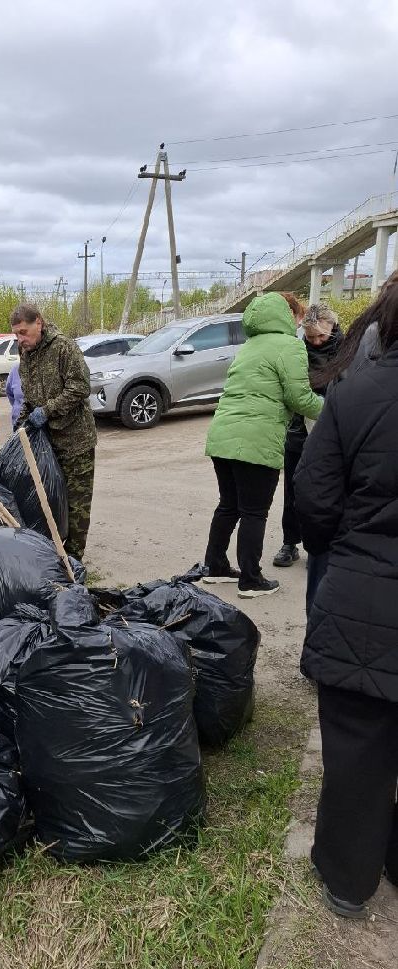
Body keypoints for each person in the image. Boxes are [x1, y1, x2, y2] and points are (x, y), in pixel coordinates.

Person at [294, 284, 398, 919]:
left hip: (363, 595)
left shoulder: (355, 393)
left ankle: (346, 877)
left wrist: (345, 552)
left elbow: (314, 499)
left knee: (357, 744)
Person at [202, 292, 323, 598]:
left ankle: (214, 567)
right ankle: (251, 580)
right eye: (298, 316)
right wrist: (332, 409)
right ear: (288, 315)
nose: (300, 323)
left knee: (229, 505)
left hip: (222, 435)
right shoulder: (290, 346)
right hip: (256, 439)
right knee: (254, 511)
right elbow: (300, 398)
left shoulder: (250, 345)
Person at [10, 303, 96, 560]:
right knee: (48, 500)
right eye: (16, 334)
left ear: (39, 322)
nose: (21, 339)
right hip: (46, 443)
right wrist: (23, 422)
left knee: (76, 504)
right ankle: (52, 556)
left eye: (24, 332)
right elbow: (30, 393)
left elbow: (80, 388)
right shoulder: (25, 352)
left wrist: (47, 411)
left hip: (75, 440)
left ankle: (74, 561)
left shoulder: (63, 348)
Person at [273, 303, 344, 569]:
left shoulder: (347, 351)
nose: (315, 342)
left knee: (330, 490)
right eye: (311, 336)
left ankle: (326, 544)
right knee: (294, 488)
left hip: (333, 433)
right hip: (298, 432)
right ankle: (289, 542)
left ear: (332, 328)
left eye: (321, 337)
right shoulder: (298, 351)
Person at [6, 363, 23, 430]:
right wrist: (17, 406)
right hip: (19, 423)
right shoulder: (15, 369)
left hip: (41, 424)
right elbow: (9, 392)